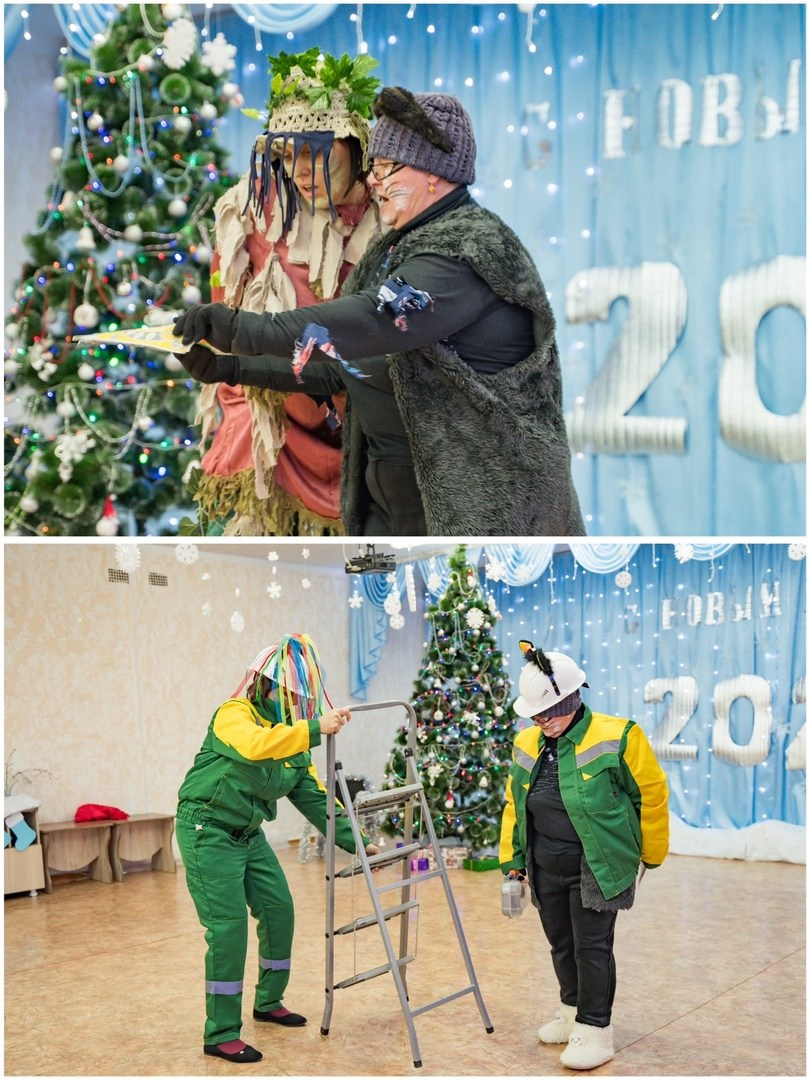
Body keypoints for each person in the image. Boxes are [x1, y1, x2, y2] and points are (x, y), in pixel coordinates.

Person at [173, 86, 585, 537]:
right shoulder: (396, 249)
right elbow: (344, 364)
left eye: (388, 168)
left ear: (434, 174)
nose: (373, 182)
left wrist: (240, 329)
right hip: (393, 513)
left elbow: (376, 320)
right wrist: (232, 367)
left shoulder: (467, 249)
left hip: (488, 517)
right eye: (375, 167)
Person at [192, 49, 382, 535]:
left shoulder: (390, 219)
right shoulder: (255, 211)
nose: (299, 170)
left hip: (361, 431)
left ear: (355, 144)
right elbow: (226, 315)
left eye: (314, 150)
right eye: (288, 154)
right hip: (265, 427)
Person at [176, 633, 378, 1063]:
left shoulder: (294, 740)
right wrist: (313, 729)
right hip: (206, 829)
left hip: (248, 834)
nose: (298, 704)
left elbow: (317, 801)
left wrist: (360, 844)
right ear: (267, 687)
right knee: (228, 929)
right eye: (291, 696)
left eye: (302, 699)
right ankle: (221, 1032)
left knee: (278, 910)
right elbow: (254, 746)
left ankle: (268, 1001)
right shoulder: (234, 714)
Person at [499, 641, 669, 1070]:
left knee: (591, 947)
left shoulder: (620, 735)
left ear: (572, 699)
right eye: (535, 716)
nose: (542, 722)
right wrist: (513, 860)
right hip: (544, 862)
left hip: (597, 863)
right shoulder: (527, 741)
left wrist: (651, 854)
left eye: (548, 713)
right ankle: (571, 1012)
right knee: (561, 943)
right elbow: (514, 803)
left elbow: (650, 795)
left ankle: (595, 1029)